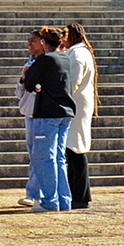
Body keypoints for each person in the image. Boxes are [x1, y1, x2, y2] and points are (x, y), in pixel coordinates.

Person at [22, 27, 77, 211]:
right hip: (65, 112)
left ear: (44, 43)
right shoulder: (64, 58)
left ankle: (50, 201)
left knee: (45, 157)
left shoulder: (45, 60)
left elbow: (28, 83)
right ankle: (64, 199)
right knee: (59, 158)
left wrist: (32, 81)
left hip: (48, 113)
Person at [60, 24, 98, 209]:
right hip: (80, 103)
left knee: (75, 149)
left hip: (75, 103)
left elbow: (72, 81)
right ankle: (77, 193)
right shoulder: (81, 52)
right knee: (75, 148)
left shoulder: (76, 54)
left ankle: (80, 194)